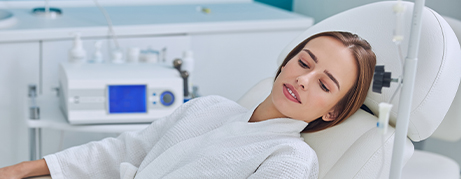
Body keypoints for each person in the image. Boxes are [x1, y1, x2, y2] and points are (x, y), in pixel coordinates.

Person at [0, 31, 376, 179]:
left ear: (332, 112)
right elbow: (126, 149)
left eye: (324, 84)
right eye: (304, 62)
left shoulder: (290, 158)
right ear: (286, 61)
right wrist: (22, 169)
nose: (303, 79)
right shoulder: (208, 107)